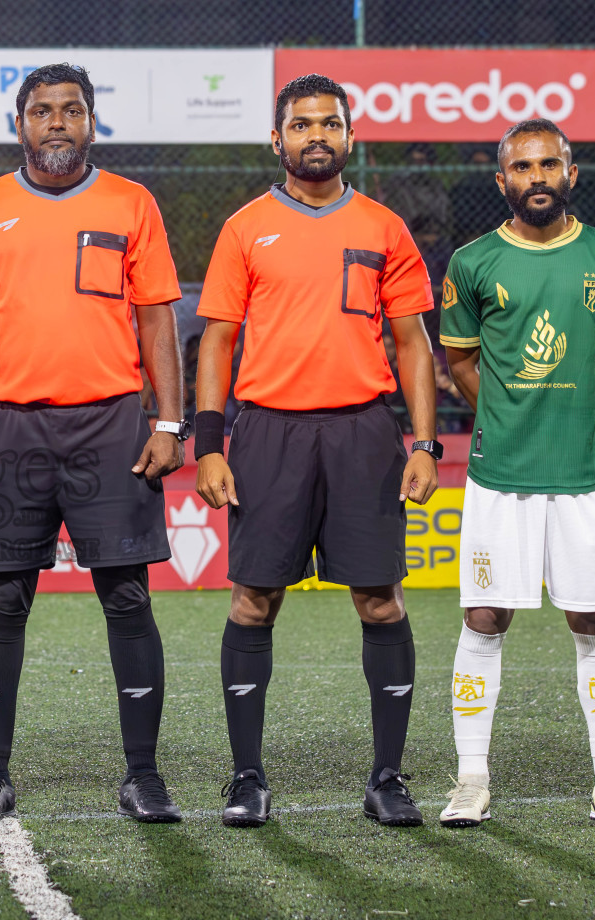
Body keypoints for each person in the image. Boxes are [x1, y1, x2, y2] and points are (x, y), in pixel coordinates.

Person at [0, 63, 188, 824]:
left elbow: (155, 320)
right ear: (20, 125)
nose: (58, 122)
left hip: (110, 424)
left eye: (72, 110)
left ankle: (143, 775)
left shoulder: (132, 203)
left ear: (92, 123)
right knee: (5, 599)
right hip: (8, 427)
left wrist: (169, 422)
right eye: (42, 111)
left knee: (128, 596)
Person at [195, 73, 440, 828]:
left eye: (329, 124)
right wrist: (209, 443)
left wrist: (426, 442)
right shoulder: (244, 227)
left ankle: (387, 778)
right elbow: (217, 341)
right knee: (253, 600)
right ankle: (246, 777)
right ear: (277, 140)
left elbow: (412, 344)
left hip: (363, 431)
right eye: (300, 125)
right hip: (267, 431)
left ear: (349, 137)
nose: (315, 136)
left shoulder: (384, 227)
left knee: (380, 599)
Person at [439, 118, 595, 829]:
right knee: (484, 616)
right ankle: (471, 779)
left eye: (549, 164)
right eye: (522, 168)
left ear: (572, 172)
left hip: (584, 473)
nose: (537, 177)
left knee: (593, 618)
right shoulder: (473, 262)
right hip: (499, 473)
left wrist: (578, 402)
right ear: (501, 181)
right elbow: (462, 363)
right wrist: (508, 412)